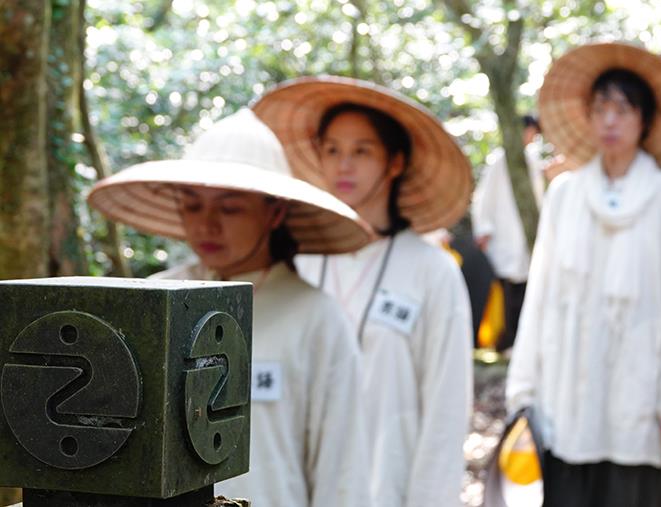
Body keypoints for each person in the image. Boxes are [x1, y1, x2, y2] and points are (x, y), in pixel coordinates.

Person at [87, 108, 373, 507]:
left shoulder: (315, 317)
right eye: (192, 206)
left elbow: (342, 469)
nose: (206, 225)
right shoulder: (153, 298)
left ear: (275, 212)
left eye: (230, 208)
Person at [253, 76, 474, 507]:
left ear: (394, 163)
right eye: (332, 150)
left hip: (388, 486)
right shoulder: (299, 263)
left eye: (361, 151)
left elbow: (446, 410)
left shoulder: (432, 271)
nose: (343, 165)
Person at [505, 43, 661, 506]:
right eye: (600, 109)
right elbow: (540, 295)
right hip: (566, 397)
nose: (610, 121)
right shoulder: (565, 194)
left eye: (622, 109)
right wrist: (523, 388)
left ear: (645, 119)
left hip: (640, 405)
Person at [470, 115, 546, 353]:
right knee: (505, 288)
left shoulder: (532, 158)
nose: (532, 136)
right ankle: (505, 339)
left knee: (525, 286)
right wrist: (484, 228)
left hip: (524, 233)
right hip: (504, 232)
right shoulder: (501, 159)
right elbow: (484, 196)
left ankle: (518, 340)